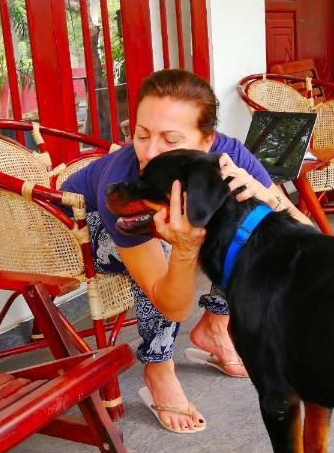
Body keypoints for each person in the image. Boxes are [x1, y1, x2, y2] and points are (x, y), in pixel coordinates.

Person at [62, 69, 310, 433]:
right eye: (141, 135)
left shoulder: (229, 155)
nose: (149, 152)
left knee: (242, 222)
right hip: (85, 226)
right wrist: (184, 247)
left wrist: (266, 195)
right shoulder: (124, 183)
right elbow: (170, 301)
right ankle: (158, 366)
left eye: (170, 139)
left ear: (207, 140)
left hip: (153, 221)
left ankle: (214, 325)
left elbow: (303, 234)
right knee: (167, 234)